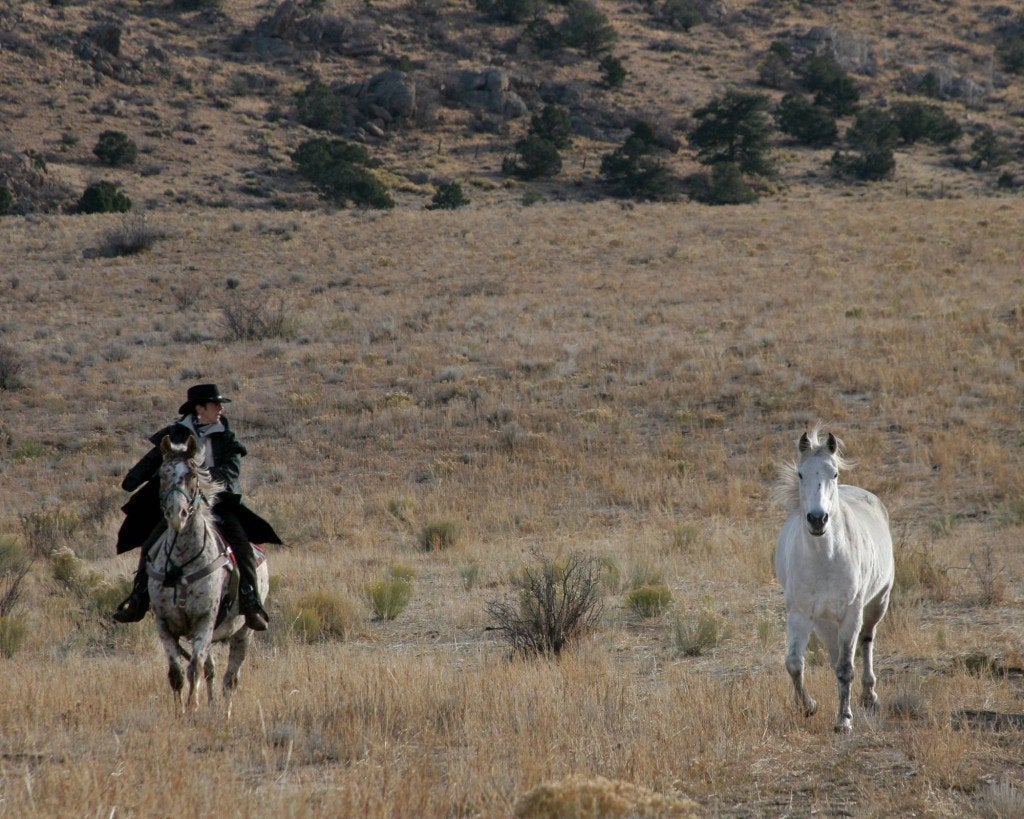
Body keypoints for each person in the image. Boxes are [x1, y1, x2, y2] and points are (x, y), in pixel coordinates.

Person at [112, 383, 281, 631]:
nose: (221, 408)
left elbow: (231, 472)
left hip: (217, 504)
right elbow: (154, 460)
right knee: (149, 547)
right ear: (200, 408)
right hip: (183, 505)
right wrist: (133, 479)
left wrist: (202, 477)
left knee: (243, 547)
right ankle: (137, 601)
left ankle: (250, 603)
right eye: (216, 404)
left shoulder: (226, 437)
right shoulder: (176, 434)